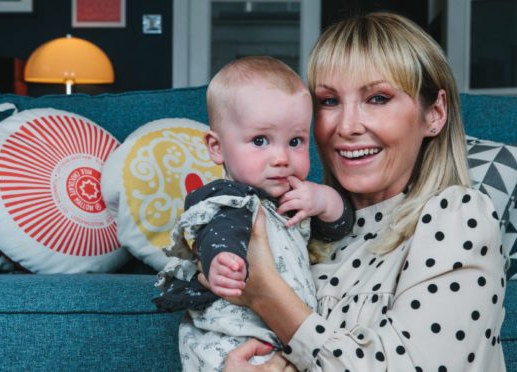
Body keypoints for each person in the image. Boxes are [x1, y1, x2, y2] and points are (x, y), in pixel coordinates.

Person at [210, 13, 508, 372]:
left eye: (378, 98)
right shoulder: (301, 229)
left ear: (435, 113)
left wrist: (265, 292)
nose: (347, 127)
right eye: (329, 101)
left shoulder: (459, 214)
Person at [153, 56, 354, 371]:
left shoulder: (293, 198)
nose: (281, 157)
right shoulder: (229, 197)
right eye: (261, 141)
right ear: (216, 147)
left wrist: (324, 200)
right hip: (231, 336)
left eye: (295, 141)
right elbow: (219, 232)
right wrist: (221, 259)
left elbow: (339, 229)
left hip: (286, 332)